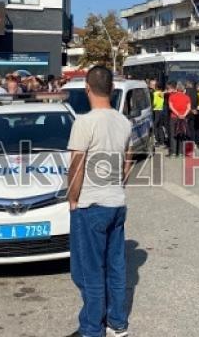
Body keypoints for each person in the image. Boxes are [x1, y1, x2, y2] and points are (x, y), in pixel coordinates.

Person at [66, 66, 132, 337]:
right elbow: (128, 162)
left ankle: (92, 328)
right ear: (112, 89)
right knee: (115, 267)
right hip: (116, 203)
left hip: (90, 205)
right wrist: (116, 186)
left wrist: (72, 199)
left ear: (87, 89)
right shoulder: (124, 122)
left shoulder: (84, 122)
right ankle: (117, 322)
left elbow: (76, 166)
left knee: (88, 271)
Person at [167, 82, 191, 158]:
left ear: (177, 89)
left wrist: (177, 114)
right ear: (183, 89)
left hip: (174, 117)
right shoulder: (187, 97)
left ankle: (173, 153)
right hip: (183, 118)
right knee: (182, 134)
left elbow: (171, 107)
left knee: (173, 135)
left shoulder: (171, 96)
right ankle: (181, 153)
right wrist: (183, 115)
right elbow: (189, 108)